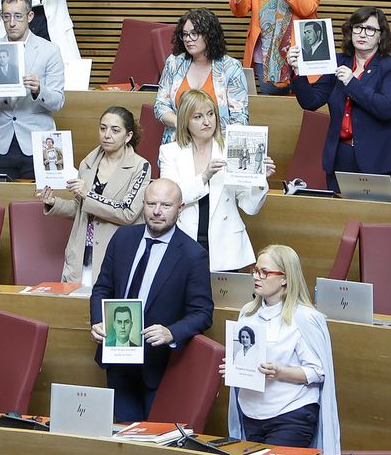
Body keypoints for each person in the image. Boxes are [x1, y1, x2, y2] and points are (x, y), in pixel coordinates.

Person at [88, 179, 212, 422]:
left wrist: (171, 332)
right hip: (118, 358)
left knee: (151, 443)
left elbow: (203, 312)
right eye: (151, 204)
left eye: (165, 205)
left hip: (159, 366)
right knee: (123, 437)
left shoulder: (193, 255)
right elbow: (102, 288)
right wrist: (98, 321)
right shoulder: (123, 238)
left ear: (180, 208)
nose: (157, 211)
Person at [225, 245, 341, 453]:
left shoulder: (305, 318)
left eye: (264, 272)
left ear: (285, 278)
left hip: (291, 412)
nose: (257, 277)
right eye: (255, 270)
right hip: (252, 411)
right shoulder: (247, 313)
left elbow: (317, 372)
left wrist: (279, 372)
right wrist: (233, 367)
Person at [292, 6, 391, 191]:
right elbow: (311, 101)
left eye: (370, 29)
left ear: (381, 36)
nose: (363, 34)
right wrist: (298, 72)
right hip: (340, 155)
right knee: (339, 215)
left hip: (377, 158)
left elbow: (387, 108)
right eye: (357, 27)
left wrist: (352, 83)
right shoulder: (338, 62)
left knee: (372, 217)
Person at [158, 88, 271, 271]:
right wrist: (204, 177)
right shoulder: (170, 152)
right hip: (184, 241)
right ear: (185, 121)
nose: (207, 122)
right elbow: (169, 199)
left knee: (224, 300)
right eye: (198, 117)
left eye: (210, 114)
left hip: (226, 245)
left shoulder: (231, 148)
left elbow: (249, 207)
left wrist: (259, 180)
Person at [43, 106, 150, 285]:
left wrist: (88, 194)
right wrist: (54, 203)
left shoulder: (140, 167)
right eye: (103, 128)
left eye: (115, 130)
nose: (107, 135)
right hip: (81, 253)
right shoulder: (87, 163)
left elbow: (128, 213)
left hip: (115, 253)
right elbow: (80, 209)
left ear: (128, 136)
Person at [0, 0, 65, 180]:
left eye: (18, 16)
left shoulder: (50, 51)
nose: (11, 23)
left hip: (37, 142)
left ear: (30, 16)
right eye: (6, 16)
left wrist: (39, 90)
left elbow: (59, 102)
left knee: (38, 205)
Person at [154, 8, 250, 144]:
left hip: (217, 145)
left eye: (194, 34)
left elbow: (240, 117)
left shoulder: (231, 67)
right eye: (185, 34)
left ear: (209, 35)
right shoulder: (174, 62)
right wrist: (182, 124)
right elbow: (160, 105)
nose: (188, 39)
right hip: (179, 143)